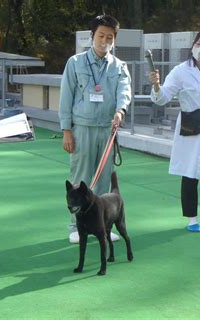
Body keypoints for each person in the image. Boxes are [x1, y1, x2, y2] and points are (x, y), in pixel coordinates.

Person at [59, 14, 131, 244]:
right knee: (80, 179)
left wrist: (120, 111)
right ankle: (75, 226)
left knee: (102, 182)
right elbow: (66, 98)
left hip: (107, 130)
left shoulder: (119, 67)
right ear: (92, 36)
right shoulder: (75, 62)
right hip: (82, 128)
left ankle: (103, 225)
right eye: (101, 35)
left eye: (110, 37)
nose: (104, 40)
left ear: (114, 40)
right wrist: (66, 130)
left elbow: (124, 92)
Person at [149, 28, 200, 232]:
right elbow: (162, 98)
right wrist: (156, 86)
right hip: (192, 128)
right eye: (198, 44)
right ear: (192, 45)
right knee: (190, 173)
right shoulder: (180, 71)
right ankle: (192, 219)